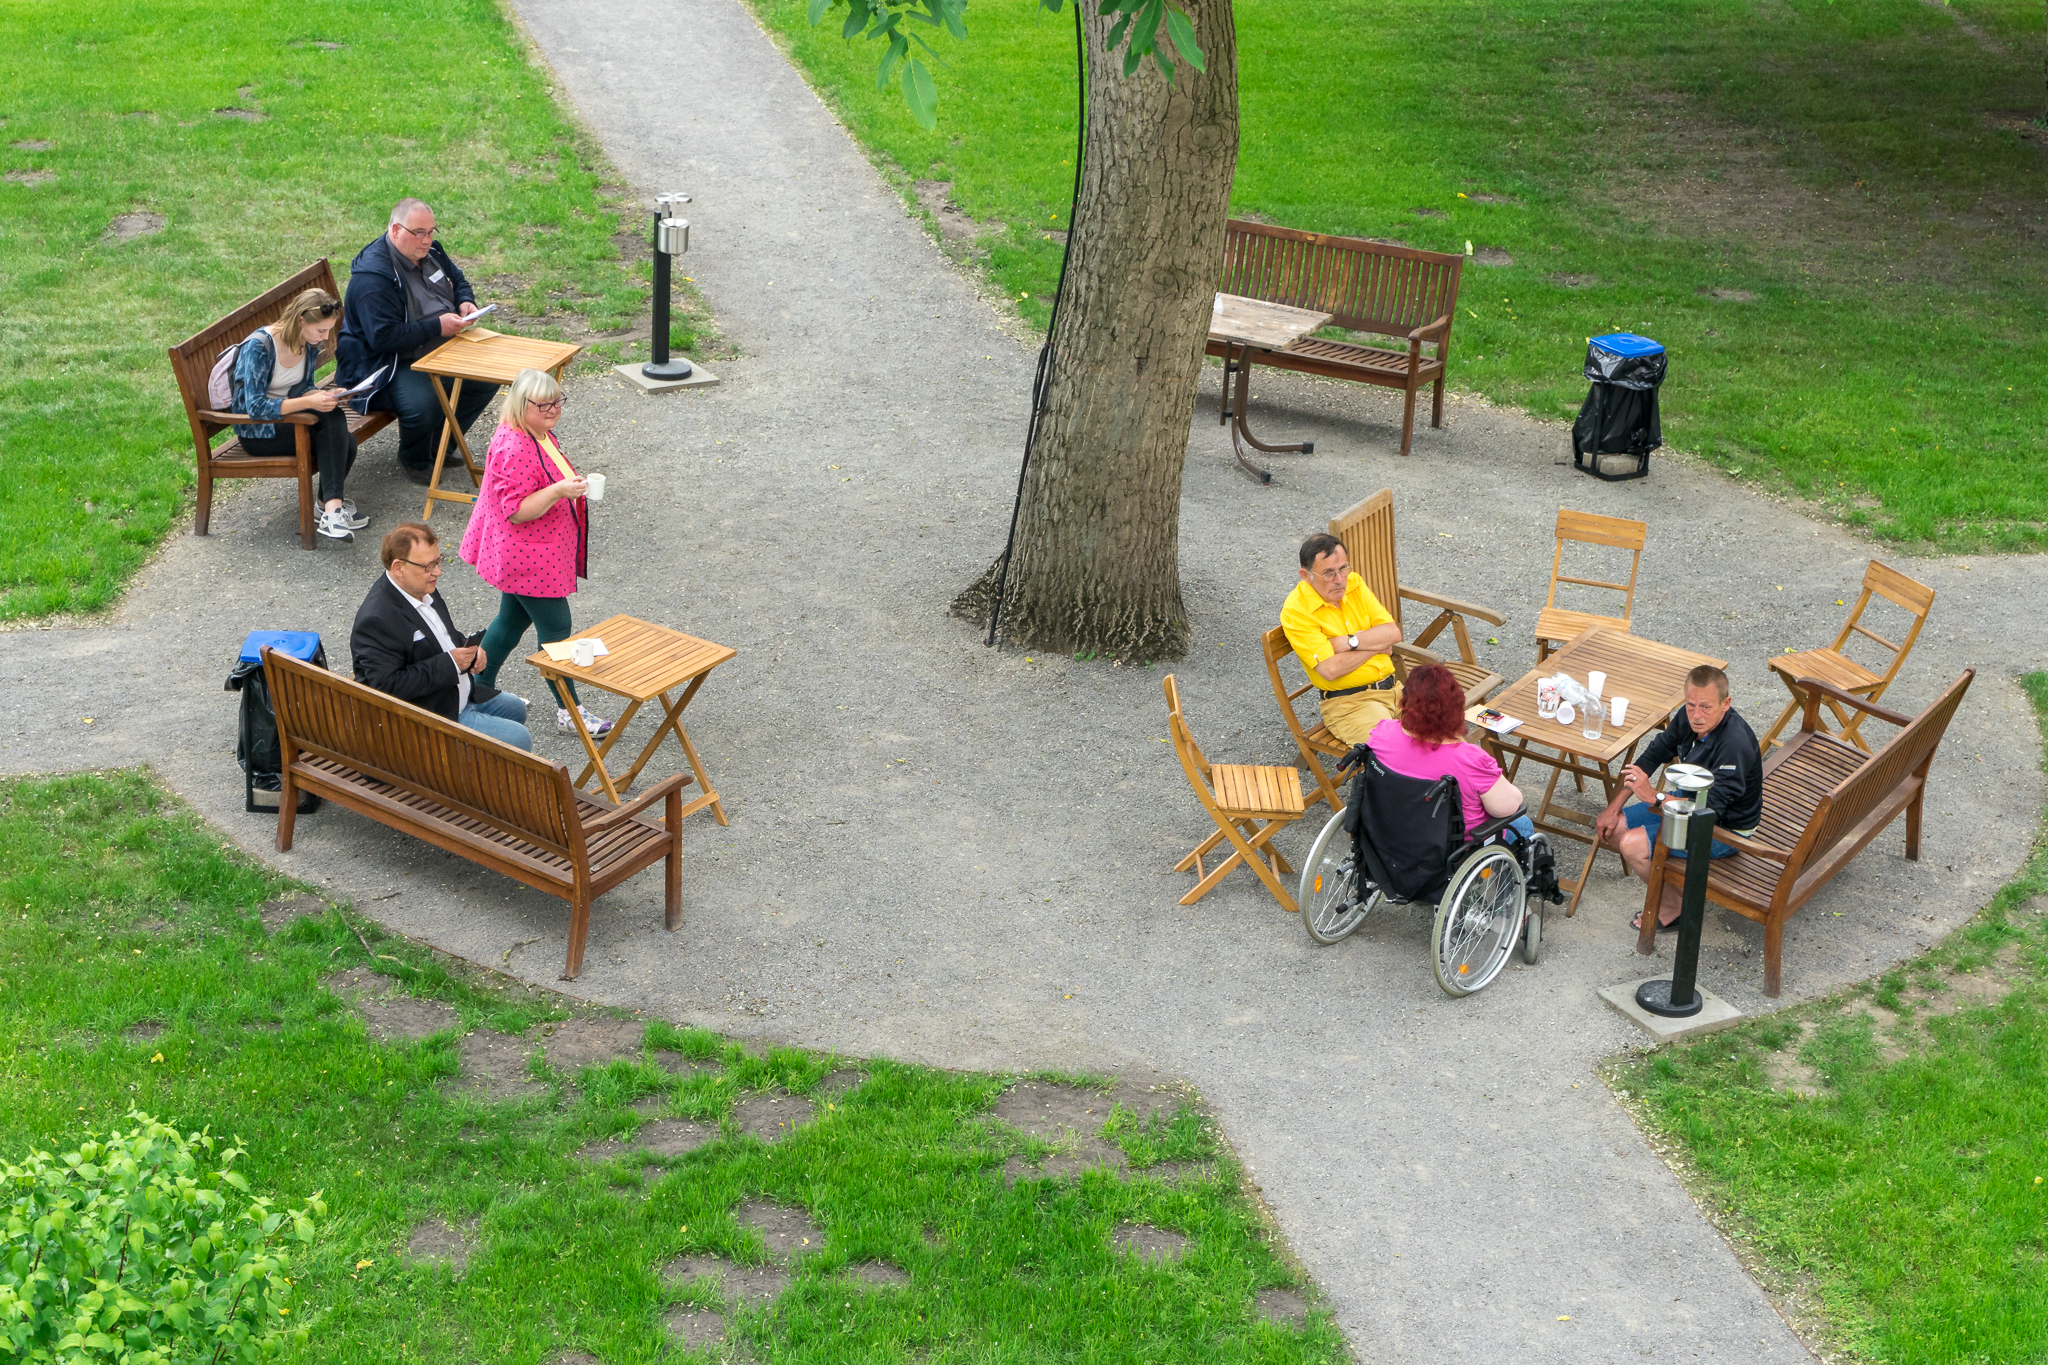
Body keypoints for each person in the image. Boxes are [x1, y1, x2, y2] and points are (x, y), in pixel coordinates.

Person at [459, 367, 613, 738]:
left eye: (557, 401)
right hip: (528, 559)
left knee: (510, 622)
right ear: (520, 403)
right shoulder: (514, 446)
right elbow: (516, 510)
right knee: (557, 630)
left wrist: (564, 487)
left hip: (529, 556)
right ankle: (569, 712)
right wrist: (560, 491)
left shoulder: (533, 432)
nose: (552, 410)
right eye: (542, 404)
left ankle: (477, 692)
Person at [335, 198, 497, 485]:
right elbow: (383, 338)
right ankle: (415, 458)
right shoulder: (373, 279)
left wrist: (465, 301)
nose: (427, 240)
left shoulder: (432, 251)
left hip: (438, 343)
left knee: (486, 378)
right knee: (423, 402)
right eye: (419, 233)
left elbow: (457, 279)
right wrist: (437, 326)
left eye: (432, 231)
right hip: (388, 361)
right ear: (396, 230)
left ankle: (441, 445)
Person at [1592, 664, 1763, 932]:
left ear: (1726, 703)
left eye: (1705, 707)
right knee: (1614, 830)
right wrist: (1613, 808)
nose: (1696, 715)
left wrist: (1655, 797)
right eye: (1691, 704)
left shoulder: (1734, 744)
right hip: (1690, 799)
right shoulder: (1687, 717)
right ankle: (1680, 896)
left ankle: (1672, 908)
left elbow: (1709, 812)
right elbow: (1650, 757)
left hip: (1727, 827)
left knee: (1632, 845)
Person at [351, 522, 532, 750]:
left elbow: (443, 635)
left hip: (456, 695)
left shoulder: (420, 587)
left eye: (438, 561)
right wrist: (450, 663)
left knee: (516, 708)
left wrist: (469, 651)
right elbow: (387, 686)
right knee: (519, 738)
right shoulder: (377, 620)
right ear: (398, 567)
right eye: (428, 566)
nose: (438, 572)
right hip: (426, 718)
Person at [229, 288, 366, 543]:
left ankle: (328, 508)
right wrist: (308, 401)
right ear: (301, 320)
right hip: (259, 431)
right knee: (338, 434)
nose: (325, 337)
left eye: (328, 330)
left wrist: (327, 396)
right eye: (321, 331)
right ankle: (330, 511)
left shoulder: (308, 343)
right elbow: (255, 408)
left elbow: (303, 387)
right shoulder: (260, 347)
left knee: (345, 438)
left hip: (289, 420)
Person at [1367, 663, 1534, 843]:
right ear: (1456, 709)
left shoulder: (1382, 733)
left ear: (1405, 702)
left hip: (1393, 833)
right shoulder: (1470, 759)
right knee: (1521, 823)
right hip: (1449, 848)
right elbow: (1507, 807)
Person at [1280, 533, 1404, 744]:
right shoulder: (1297, 611)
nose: (1339, 580)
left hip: (1396, 691)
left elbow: (1393, 633)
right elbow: (1331, 670)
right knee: (1395, 753)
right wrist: (1376, 646)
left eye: (1343, 569)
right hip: (1351, 704)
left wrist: (1348, 643)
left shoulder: (1353, 582)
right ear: (1305, 574)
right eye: (1328, 573)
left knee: (1447, 739)